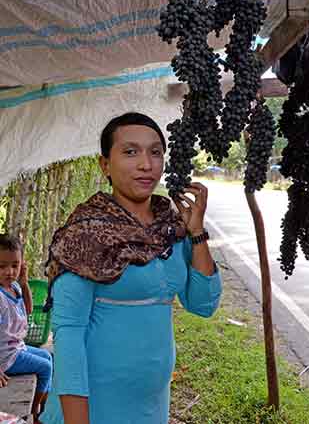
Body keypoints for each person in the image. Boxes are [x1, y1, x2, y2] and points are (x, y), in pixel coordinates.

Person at [40, 112, 222, 424]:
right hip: (92, 408)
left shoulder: (172, 227)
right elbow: (69, 336)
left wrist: (196, 232)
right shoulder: (84, 235)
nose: (146, 164)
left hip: (151, 405)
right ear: (104, 164)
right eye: (130, 152)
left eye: (155, 152)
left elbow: (203, 305)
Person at [0, 234, 53, 424]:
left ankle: (45, 406)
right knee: (46, 367)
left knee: (48, 357)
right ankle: (35, 412)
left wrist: (23, 281)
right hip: (5, 356)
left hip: (16, 347)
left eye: (15, 266)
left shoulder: (14, 286)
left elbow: (28, 309)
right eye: (2, 266)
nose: (9, 271)